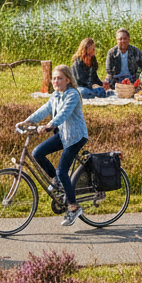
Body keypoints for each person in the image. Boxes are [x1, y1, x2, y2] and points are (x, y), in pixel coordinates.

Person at [23, 65, 90, 226]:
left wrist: (49, 125)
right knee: (37, 153)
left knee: (62, 170)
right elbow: (44, 110)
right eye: (54, 78)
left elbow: (63, 114)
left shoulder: (72, 95)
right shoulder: (55, 95)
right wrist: (27, 122)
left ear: (68, 80)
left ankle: (73, 207)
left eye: (59, 78)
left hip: (76, 136)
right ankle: (58, 181)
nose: (56, 81)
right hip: (63, 134)